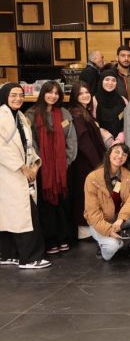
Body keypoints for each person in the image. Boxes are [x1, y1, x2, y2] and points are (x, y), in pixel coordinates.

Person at [0, 83, 50, 269]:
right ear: (5, 96)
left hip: (22, 174)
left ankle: (8, 254)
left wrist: (35, 164)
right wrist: (22, 167)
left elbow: (28, 145)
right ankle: (30, 258)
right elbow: (2, 149)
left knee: (11, 216)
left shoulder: (20, 116)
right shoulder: (1, 116)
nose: (18, 99)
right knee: (26, 216)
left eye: (21, 95)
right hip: (9, 174)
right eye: (13, 95)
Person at [25, 81, 77, 254]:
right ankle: (50, 241)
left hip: (62, 168)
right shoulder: (31, 114)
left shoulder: (64, 113)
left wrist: (65, 162)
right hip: (42, 169)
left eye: (56, 93)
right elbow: (30, 142)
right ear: (43, 93)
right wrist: (40, 162)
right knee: (46, 205)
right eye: (50, 92)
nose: (53, 96)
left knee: (63, 204)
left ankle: (63, 238)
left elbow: (71, 139)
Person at [83, 143, 130, 262]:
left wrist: (121, 219)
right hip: (100, 222)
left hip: (120, 220)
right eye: (116, 152)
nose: (120, 156)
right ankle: (104, 244)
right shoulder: (92, 178)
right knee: (113, 247)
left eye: (124, 154)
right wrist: (109, 230)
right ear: (109, 154)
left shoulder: (129, 177)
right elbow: (92, 213)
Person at [68, 81, 107, 239]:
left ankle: (87, 227)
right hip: (85, 162)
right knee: (84, 194)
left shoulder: (84, 111)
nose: (85, 96)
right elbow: (84, 142)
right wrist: (98, 164)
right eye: (81, 93)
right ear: (75, 97)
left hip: (88, 161)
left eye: (87, 92)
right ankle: (83, 230)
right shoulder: (77, 114)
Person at [94, 69, 127, 147]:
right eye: (107, 79)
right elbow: (94, 125)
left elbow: (128, 123)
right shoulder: (94, 101)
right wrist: (109, 140)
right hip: (102, 144)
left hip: (121, 144)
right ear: (101, 81)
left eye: (113, 80)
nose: (110, 83)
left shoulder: (123, 100)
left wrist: (119, 140)